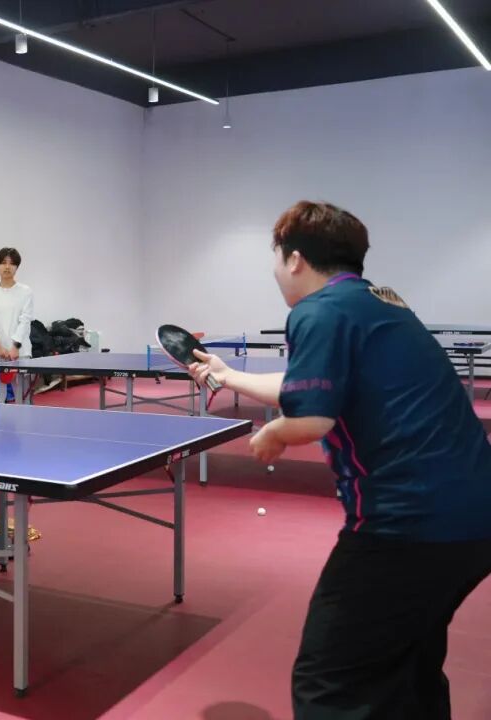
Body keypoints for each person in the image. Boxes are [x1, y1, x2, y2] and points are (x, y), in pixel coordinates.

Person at [188, 201, 491, 720]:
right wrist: (228, 375)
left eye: (276, 257)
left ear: (295, 259)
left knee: (329, 682)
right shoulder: (380, 305)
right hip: (473, 520)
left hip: (406, 525)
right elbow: (311, 385)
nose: (275, 270)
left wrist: (274, 433)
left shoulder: (317, 311)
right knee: (408, 666)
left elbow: (311, 417)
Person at [0, 247, 34, 400]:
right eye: (3, 262)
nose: (7, 267)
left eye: (12, 263)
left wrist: (15, 347)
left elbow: (25, 320)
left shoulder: (26, 291)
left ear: (17, 267)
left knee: (23, 398)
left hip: (20, 353)